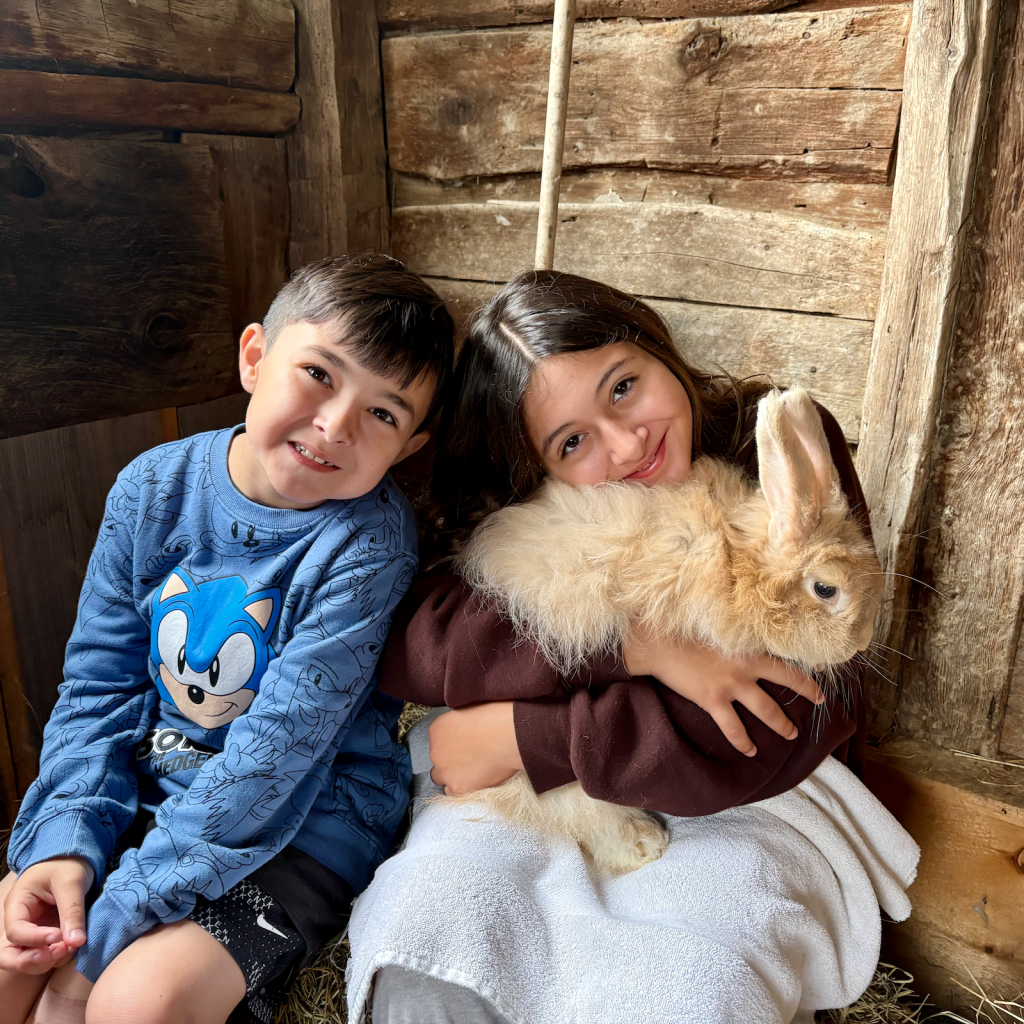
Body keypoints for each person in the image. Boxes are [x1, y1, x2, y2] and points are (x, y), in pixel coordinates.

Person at [357, 270, 893, 1024]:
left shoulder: (769, 449)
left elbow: (784, 714)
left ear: (654, 346)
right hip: (553, 793)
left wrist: (525, 733)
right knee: (436, 948)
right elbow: (421, 639)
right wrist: (635, 646)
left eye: (623, 387)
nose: (626, 441)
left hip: (751, 795)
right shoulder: (538, 517)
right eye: (572, 442)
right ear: (536, 470)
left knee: (695, 986)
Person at [0, 254, 454, 1024]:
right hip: (152, 787)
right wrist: (65, 842)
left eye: (383, 414)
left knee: (133, 1003)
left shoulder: (369, 542)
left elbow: (275, 757)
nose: (335, 425)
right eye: (319, 373)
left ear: (408, 447)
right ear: (254, 356)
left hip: (304, 821)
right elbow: (98, 688)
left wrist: (110, 926)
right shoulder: (152, 488)